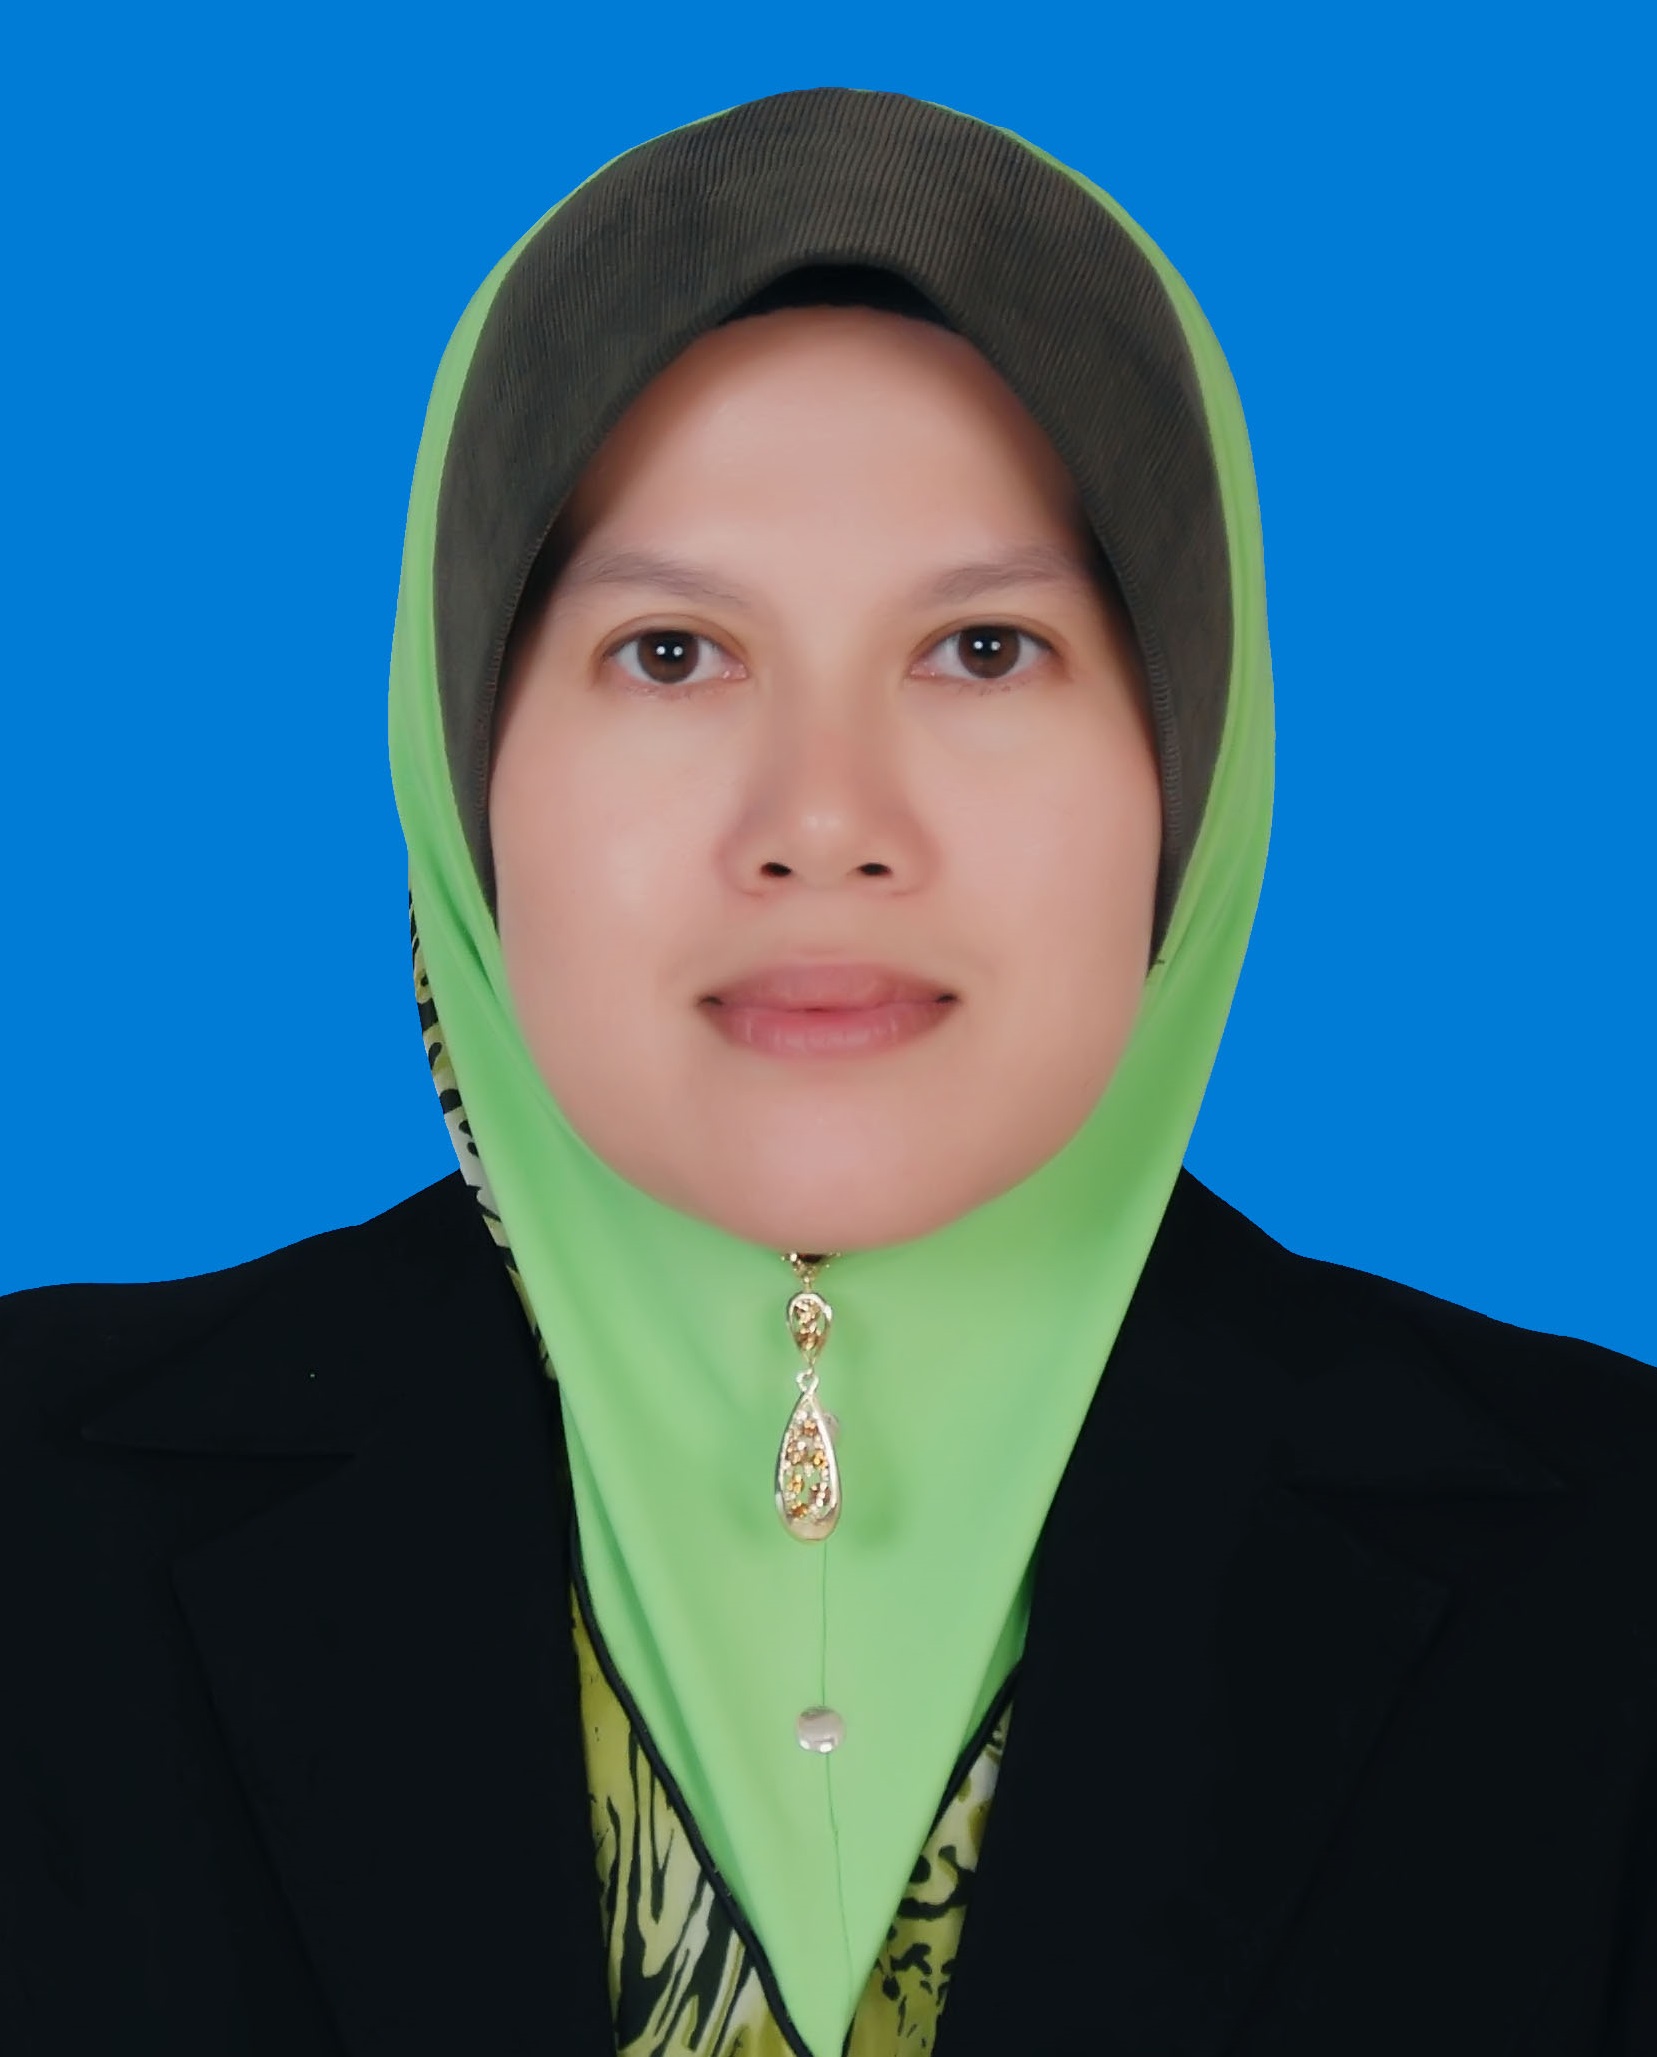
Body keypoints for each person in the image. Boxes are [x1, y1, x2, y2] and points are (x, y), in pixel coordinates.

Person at [4, 85, 1655, 2057]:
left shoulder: (1614, 1574)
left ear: (1188, 758)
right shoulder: (35, 1527)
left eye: (984, 650)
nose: (821, 823)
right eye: (671, 653)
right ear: (464, 758)